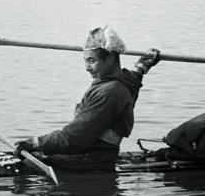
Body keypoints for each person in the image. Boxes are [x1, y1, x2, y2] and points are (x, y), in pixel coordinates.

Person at [15, 26, 161, 157]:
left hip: (89, 160)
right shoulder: (120, 85)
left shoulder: (109, 92)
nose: (87, 67)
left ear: (110, 58)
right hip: (92, 154)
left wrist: (36, 143)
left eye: (91, 60)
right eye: (85, 60)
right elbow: (131, 81)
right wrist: (141, 67)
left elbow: (76, 137)